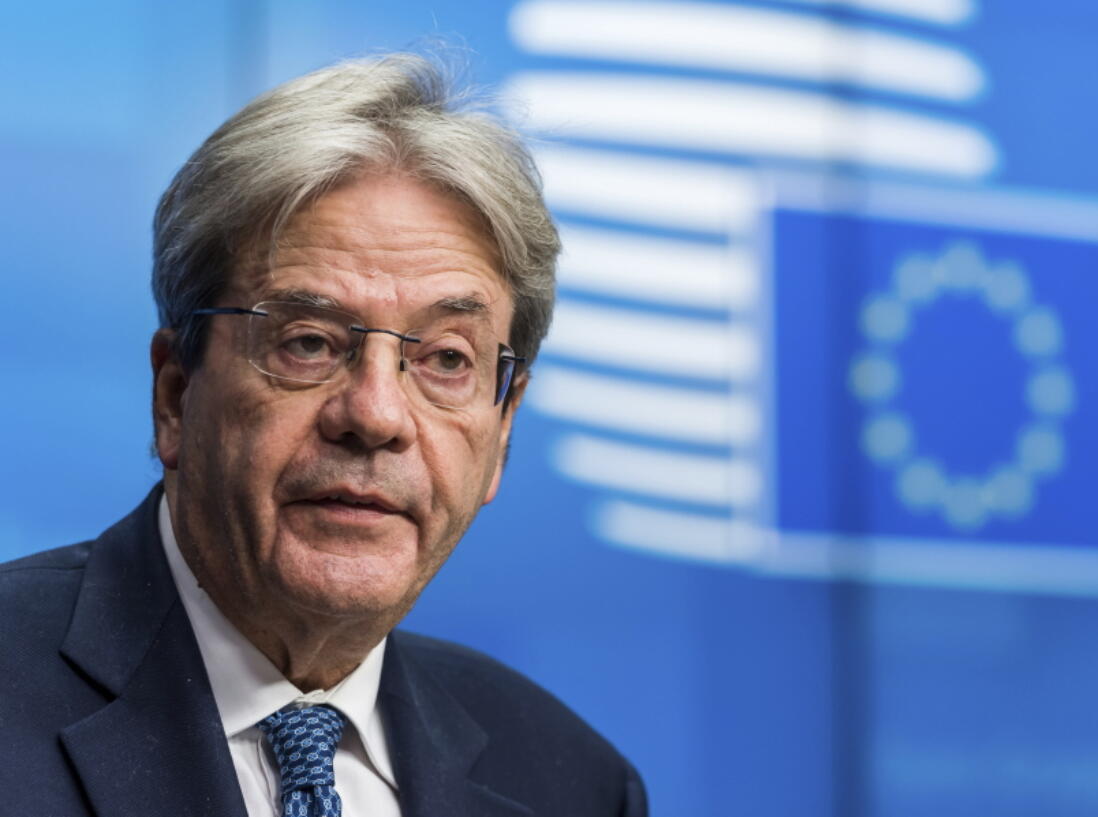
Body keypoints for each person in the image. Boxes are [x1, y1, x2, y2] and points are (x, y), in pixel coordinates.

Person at [0, 53, 646, 817]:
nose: (375, 416)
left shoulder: (572, 783)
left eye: (446, 359)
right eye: (307, 342)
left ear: (502, 431)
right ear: (175, 394)